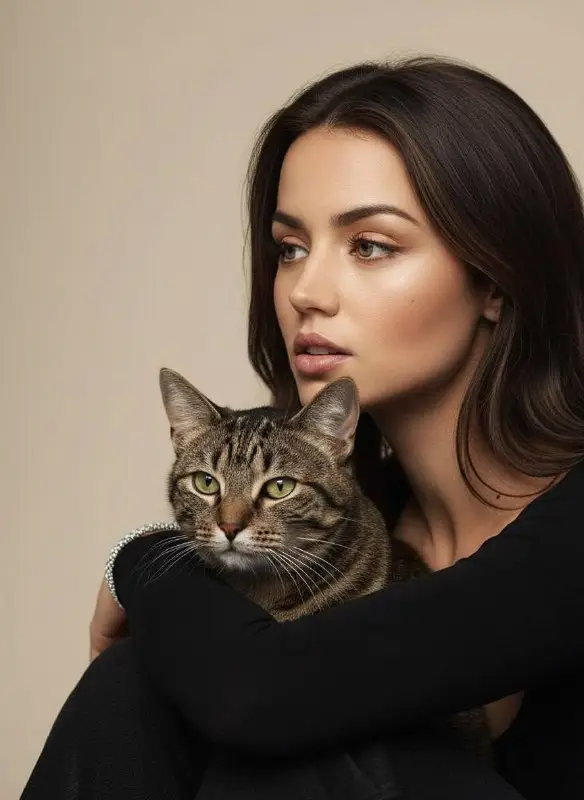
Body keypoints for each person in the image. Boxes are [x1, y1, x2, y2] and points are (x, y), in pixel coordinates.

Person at [20, 55, 584, 800]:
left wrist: (141, 559)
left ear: (495, 279)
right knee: (144, 683)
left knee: (289, 730)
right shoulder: (339, 526)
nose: (307, 292)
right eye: (290, 248)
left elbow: (263, 695)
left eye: (370, 245)